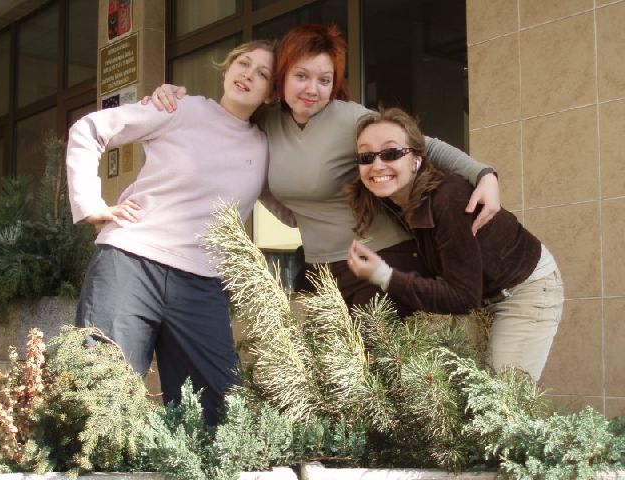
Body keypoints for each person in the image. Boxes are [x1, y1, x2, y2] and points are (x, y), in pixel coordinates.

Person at [144, 24, 501, 315]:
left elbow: (425, 145)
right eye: (301, 76)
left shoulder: (350, 119)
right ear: (282, 77)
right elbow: (225, 122)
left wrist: (483, 174)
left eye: (324, 80)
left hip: (380, 257)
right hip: (319, 270)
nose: (312, 90)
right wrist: (170, 99)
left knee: (373, 374)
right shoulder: (266, 122)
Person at [67, 40, 291, 424]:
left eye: (263, 74)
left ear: (271, 93)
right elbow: (89, 129)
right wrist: (90, 205)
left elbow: (293, 209)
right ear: (227, 68)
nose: (248, 75)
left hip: (202, 283)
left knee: (217, 412)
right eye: (243, 63)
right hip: (130, 263)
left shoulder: (266, 149)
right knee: (100, 396)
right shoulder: (180, 108)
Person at [346, 107, 564, 381]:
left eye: (391, 153)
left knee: (503, 397)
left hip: (524, 289)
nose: (377, 165)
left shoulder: (449, 199)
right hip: (486, 295)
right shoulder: (393, 202)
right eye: (367, 157)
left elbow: (462, 297)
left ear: (416, 159)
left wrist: (384, 276)